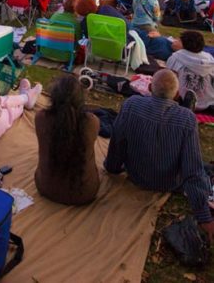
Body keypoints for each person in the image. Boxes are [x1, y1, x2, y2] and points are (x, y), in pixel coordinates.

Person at [104, 70, 214, 241]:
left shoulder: (131, 105)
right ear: (177, 94)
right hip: (170, 183)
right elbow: (192, 170)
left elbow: (117, 142)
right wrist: (204, 217)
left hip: (136, 175)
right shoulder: (187, 119)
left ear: (149, 87)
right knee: (204, 170)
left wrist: (111, 167)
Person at [35, 75, 100, 205]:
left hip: (46, 188)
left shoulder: (41, 118)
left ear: (53, 97)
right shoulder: (91, 122)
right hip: (84, 194)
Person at [167, 31, 214, 113]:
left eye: (179, 40)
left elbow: (168, 79)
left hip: (183, 101)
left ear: (184, 43)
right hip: (209, 102)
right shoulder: (209, 59)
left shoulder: (176, 57)